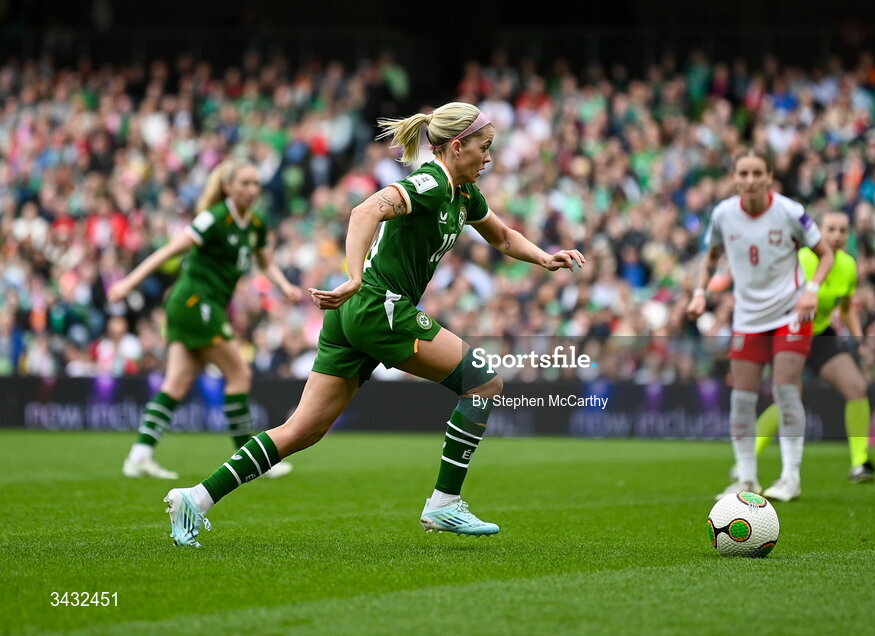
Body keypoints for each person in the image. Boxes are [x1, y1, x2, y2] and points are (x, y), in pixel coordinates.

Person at [162, 102, 585, 546]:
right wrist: (354, 275)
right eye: (484, 147)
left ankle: (197, 498)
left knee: (302, 430)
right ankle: (444, 502)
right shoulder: (431, 183)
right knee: (483, 383)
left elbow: (501, 237)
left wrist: (544, 257)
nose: (489, 158)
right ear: (457, 146)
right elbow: (364, 211)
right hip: (379, 306)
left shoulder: (464, 193)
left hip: (356, 315)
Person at [108, 160, 304, 480]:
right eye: (245, 183)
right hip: (193, 301)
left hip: (203, 305)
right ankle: (251, 459)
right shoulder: (213, 219)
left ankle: (138, 456)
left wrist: (284, 286)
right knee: (239, 373)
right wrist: (129, 283)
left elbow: (265, 262)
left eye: (256, 184)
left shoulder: (255, 224)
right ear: (227, 187)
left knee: (177, 382)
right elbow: (169, 251)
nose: (252, 190)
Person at [688, 148, 833, 502]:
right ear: (734, 178)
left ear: (770, 176)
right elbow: (710, 258)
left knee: (785, 389)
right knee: (741, 397)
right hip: (749, 316)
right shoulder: (723, 215)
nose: (750, 180)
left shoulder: (790, 212)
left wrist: (812, 289)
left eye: (757, 173)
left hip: (790, 312)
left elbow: (825, 253)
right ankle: (748, 479)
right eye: (743, 174)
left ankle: (790, 477)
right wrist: (698, 293)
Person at [751, 212, 875, 483]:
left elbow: (845, 307)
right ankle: (747, 460)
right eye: (831, 229)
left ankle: (860, 463)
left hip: (820, 335)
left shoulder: (848, 266)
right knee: (788, 398)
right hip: (792, 332)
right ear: (819, 231)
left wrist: (859, 340)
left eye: (843, 230)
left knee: (856, 387)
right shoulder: (802, 260)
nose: (837, 236)